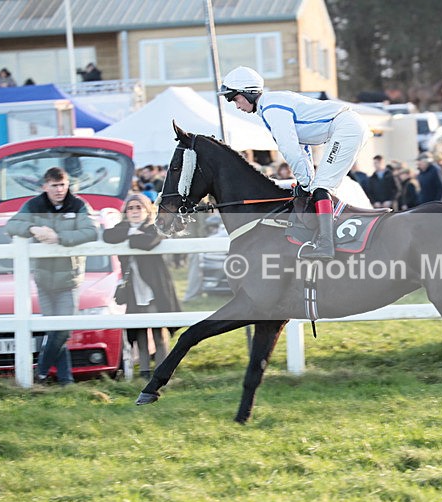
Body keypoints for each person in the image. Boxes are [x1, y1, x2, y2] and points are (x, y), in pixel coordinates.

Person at [218, 65, 371, 260]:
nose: (236, 106)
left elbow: (289, 150)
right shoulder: (270, 105)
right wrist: (305, 181)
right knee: (317, 186)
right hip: (347, 126)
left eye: (235, 99)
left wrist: (306, 183)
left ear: (248, 92)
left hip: (346, 127)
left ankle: (326, 244)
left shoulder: (272, 109)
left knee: (321, 187)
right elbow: (302, 148)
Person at [5, 167, 98, 385]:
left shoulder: (78, 205)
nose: (59, 190)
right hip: (43, 279)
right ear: (45, 186)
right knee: (54, 331)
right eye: (54, 185)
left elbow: (91, 231)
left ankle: (41, 371)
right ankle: (66, 380)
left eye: (62, 185)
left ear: (68, 185)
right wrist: (33, 229)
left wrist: (59, 237)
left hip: (69, 280)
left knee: (63, 331)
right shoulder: (34, 205)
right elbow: (12, 225)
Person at [103, 193, 181, 379]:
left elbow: (149, 242)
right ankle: (144, 373)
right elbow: (108, 236)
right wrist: (132, 233)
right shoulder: (123, 228)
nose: (135, 211)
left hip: (154, 289)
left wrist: (132, 239)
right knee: (139, 333)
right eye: (130, 208)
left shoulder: (156, 226)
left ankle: (162, 372)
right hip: (133, 289)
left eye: (139, 207)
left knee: (158, 331)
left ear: (147, 210)